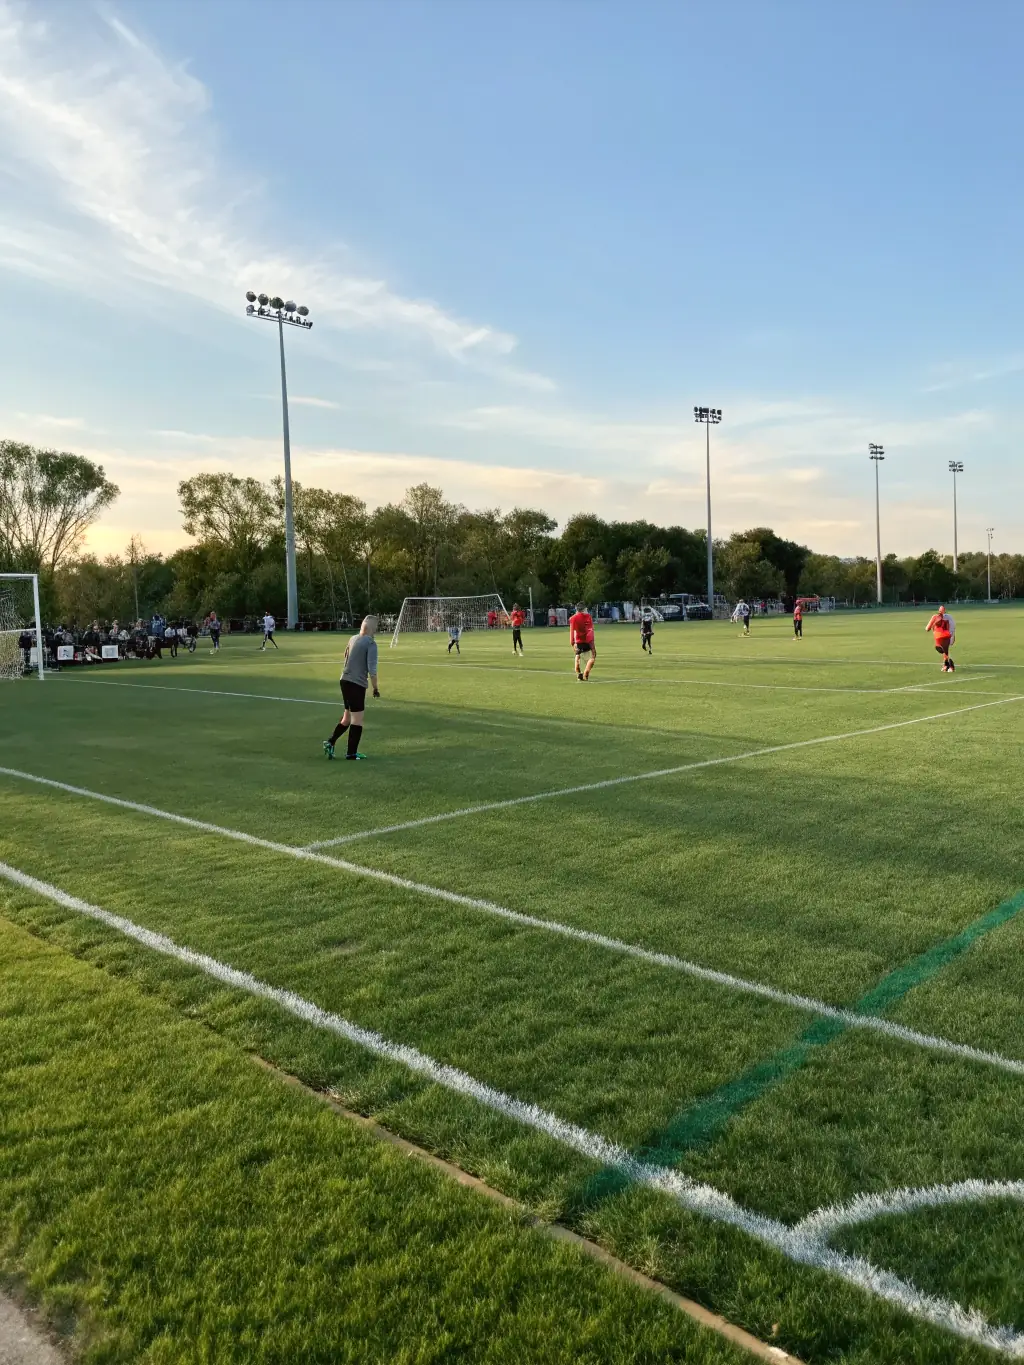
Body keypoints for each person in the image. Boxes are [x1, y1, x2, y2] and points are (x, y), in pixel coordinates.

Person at [324, 616, 380, 760]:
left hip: (344, 680)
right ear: (373, 629)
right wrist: (375, 688)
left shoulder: (353, 638)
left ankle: (330, 742)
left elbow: (346, 655)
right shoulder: (371, 644)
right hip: (356, 683)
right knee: (357, 720)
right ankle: (351, 754)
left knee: (347, 718)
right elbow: (372, 670)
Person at [569, 600, 596, 680]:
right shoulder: (588, 617)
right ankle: (586, 671)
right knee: (593, 657)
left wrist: (572, 643)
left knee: (578, 655)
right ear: (584, 609)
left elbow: (572, 631)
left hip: (578, 642)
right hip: (587, 641)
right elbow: (590, 631)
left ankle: (578, 672)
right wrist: (592, 644)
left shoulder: (573, 618)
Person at [925, 605, 956, 672]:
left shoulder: (935, 617)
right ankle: (946, 665)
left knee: (944, 650)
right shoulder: (948, 618)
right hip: (946, 636)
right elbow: (951, 628)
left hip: (941, 636)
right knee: (945, 650)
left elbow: (927, 628)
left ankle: (950, 666)